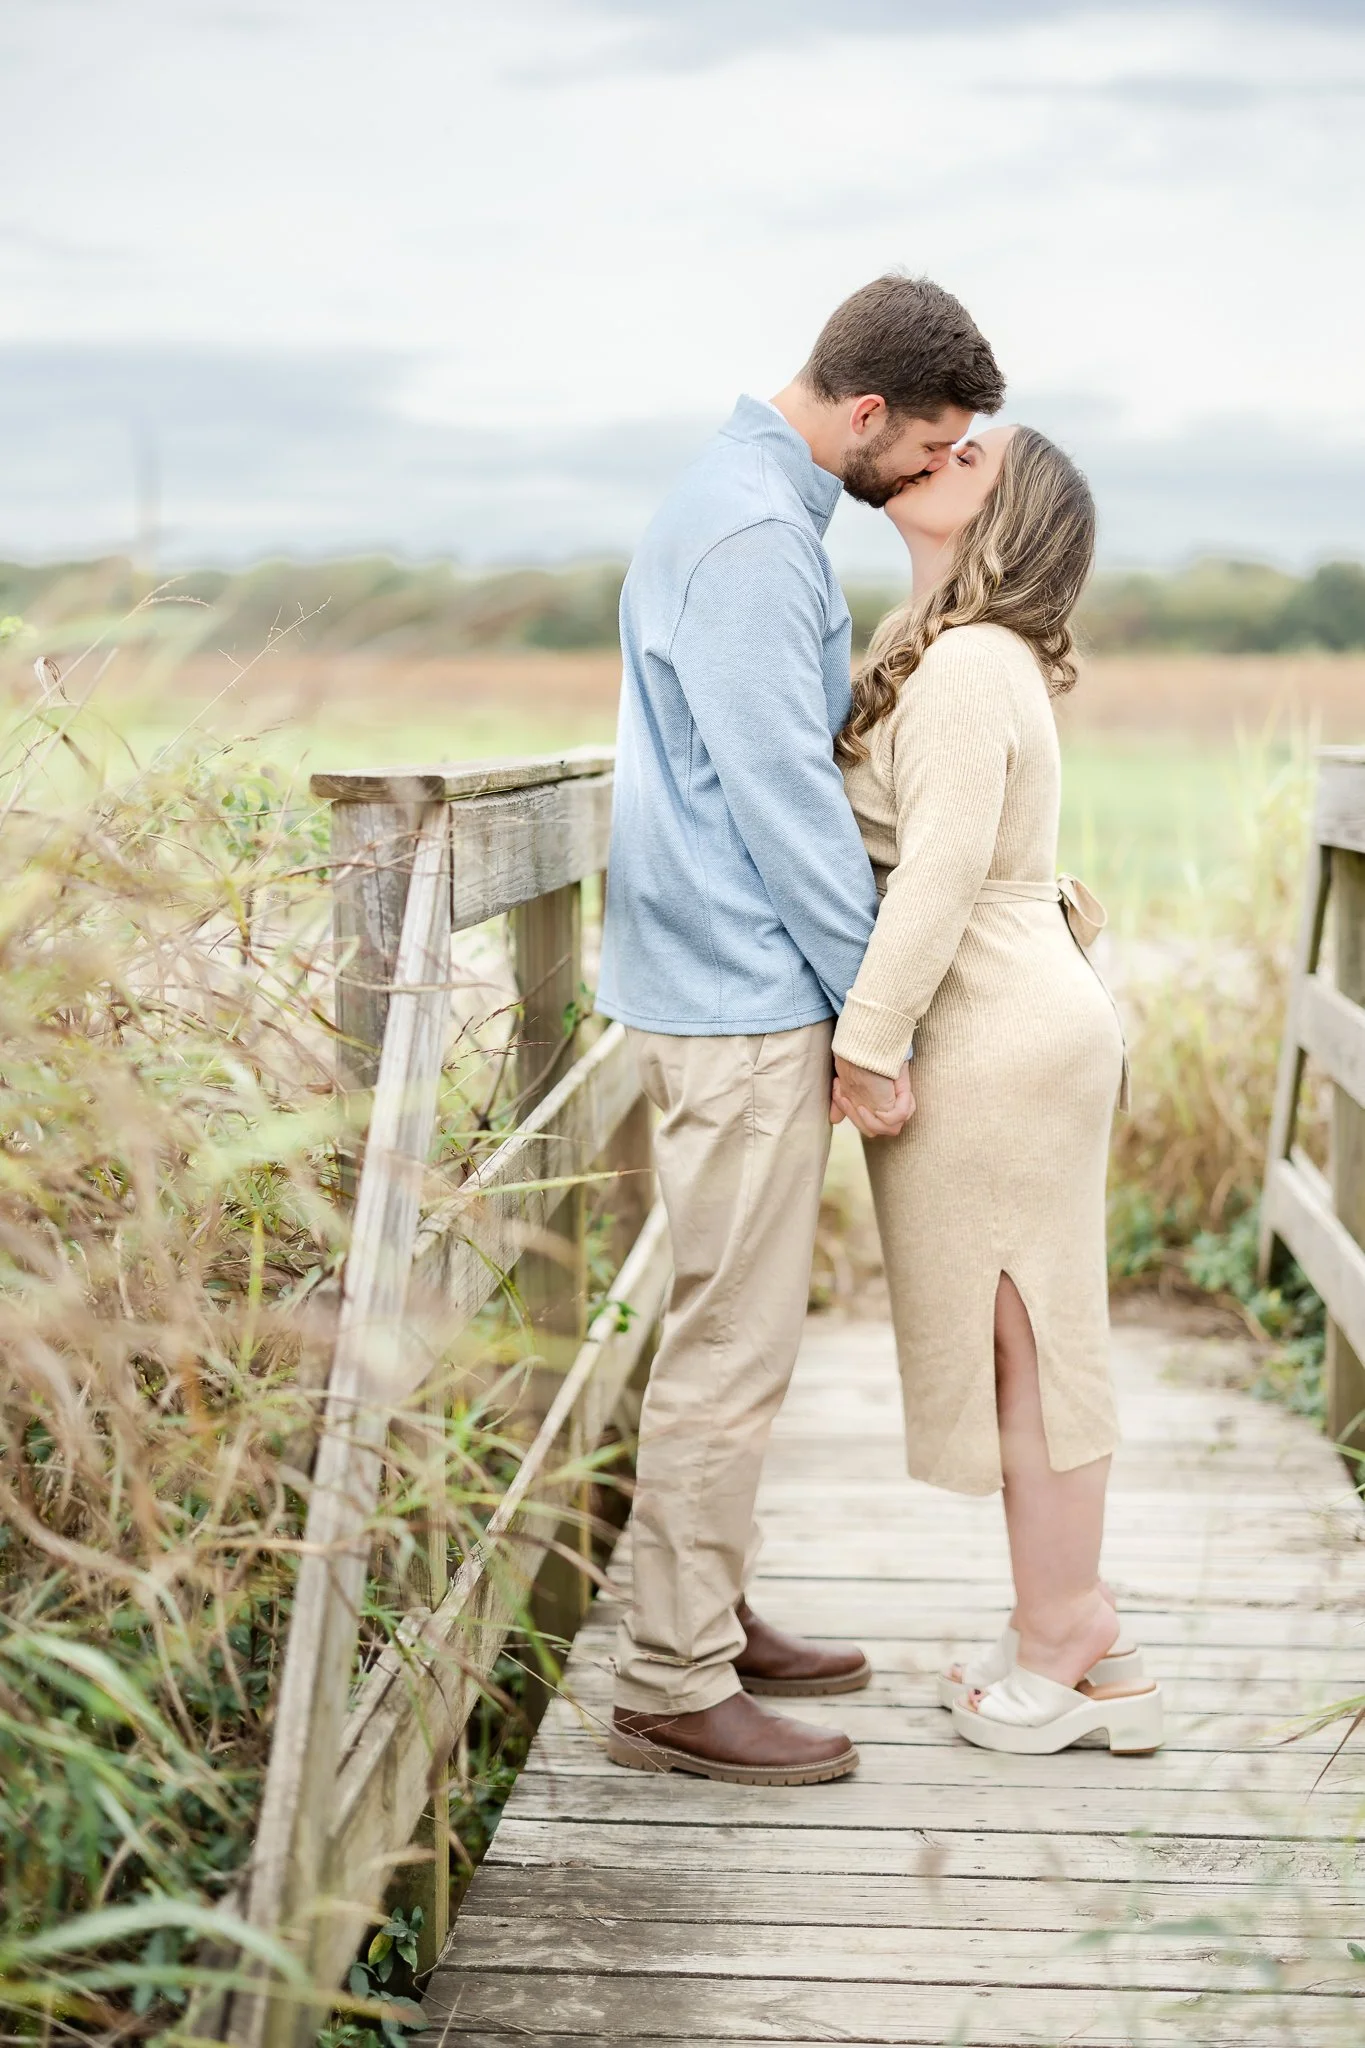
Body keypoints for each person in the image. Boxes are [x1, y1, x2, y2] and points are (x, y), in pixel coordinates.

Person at [597, 274, 1005, 1784]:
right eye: (928, 446)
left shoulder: (729, 494)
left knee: (730, 1325)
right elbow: (785, 805)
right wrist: (874, 1019)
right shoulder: (767, 541)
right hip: (740, 993)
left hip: (706, 979)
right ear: (867, 413)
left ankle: (705, 1606)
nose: (925, 475)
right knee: (731, 1344)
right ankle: (670, 1681)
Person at [832, 423, 1164, 1757]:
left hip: (993, 1023)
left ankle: (1065, 1630)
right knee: (1033, 1327)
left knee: (1031, 1332)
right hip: (1013, 1012)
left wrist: (869, 1041)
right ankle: (1088, 1640)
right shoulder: (954, 649)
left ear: (1001, 517)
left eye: (974, 454)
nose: (939, 449)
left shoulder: (968, 666)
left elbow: (941, 873)